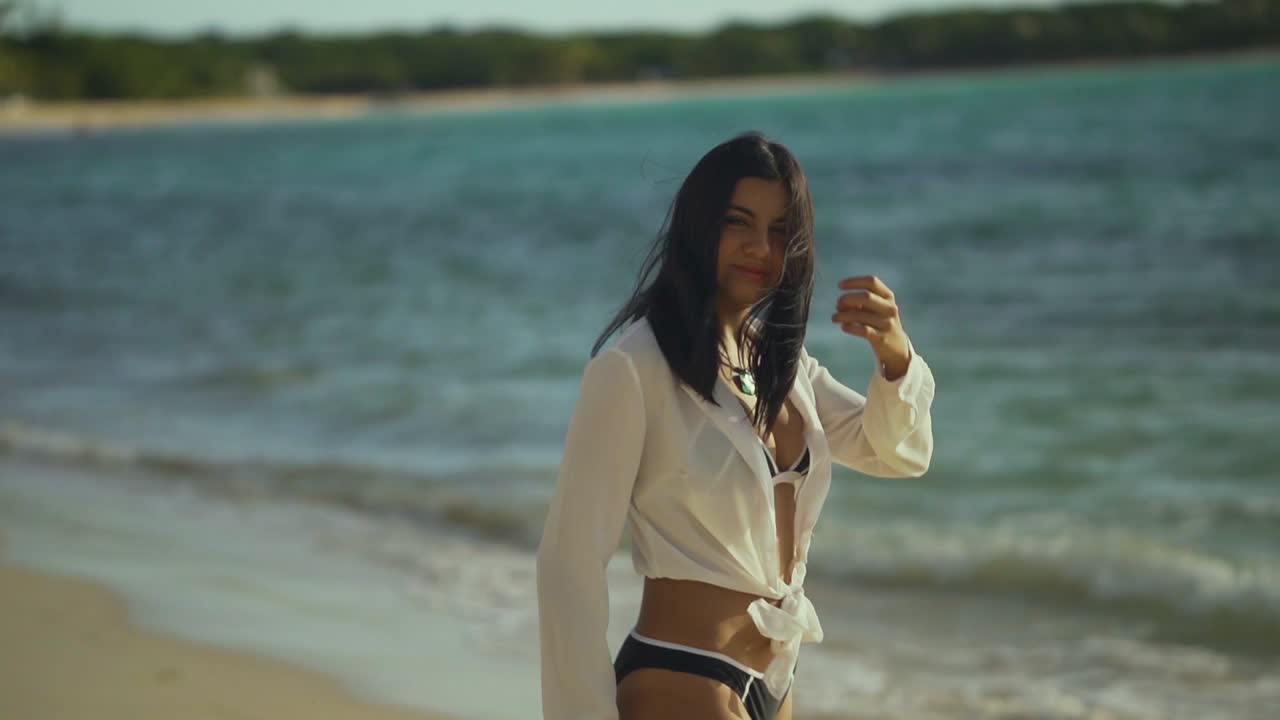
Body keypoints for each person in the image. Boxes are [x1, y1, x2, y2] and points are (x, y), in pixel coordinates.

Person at [535, 131, 936, 720]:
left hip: (772, 680)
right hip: (681, 677)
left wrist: (896, 357)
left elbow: (894, 453)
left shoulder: (782, 365)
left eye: (779, 231)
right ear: (700, 227)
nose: (760, 247)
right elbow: (567, 566)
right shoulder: (632, 367)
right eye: (738, 223)